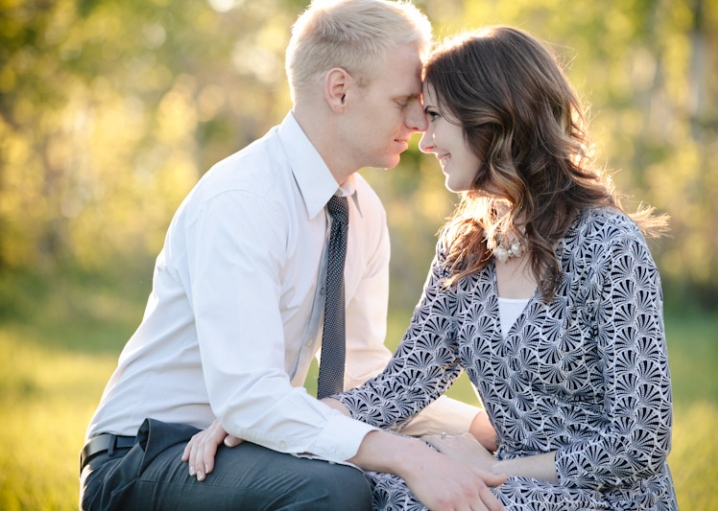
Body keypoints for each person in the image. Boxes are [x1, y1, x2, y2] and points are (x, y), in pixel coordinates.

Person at [191, 25, 678, 510]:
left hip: (605, 496)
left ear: (491, 119)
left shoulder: (608, 245)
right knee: (359, 490)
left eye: (436, 117)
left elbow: (640, 439)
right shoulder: (467, 247)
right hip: (503, 482)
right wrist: (272, 422)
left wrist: (491, 472)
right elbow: (402, 384)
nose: (426, 141)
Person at [79, 2, 505, 510]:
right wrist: (408, 456)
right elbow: (249, 398)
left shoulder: (361, 210)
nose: (420, 122)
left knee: (414, 471)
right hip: (146, 456)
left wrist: (485, 429)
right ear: (339, 90)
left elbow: (363, 380)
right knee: (338, 487)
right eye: (403, 100)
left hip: (239, 448)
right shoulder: (243, 200)